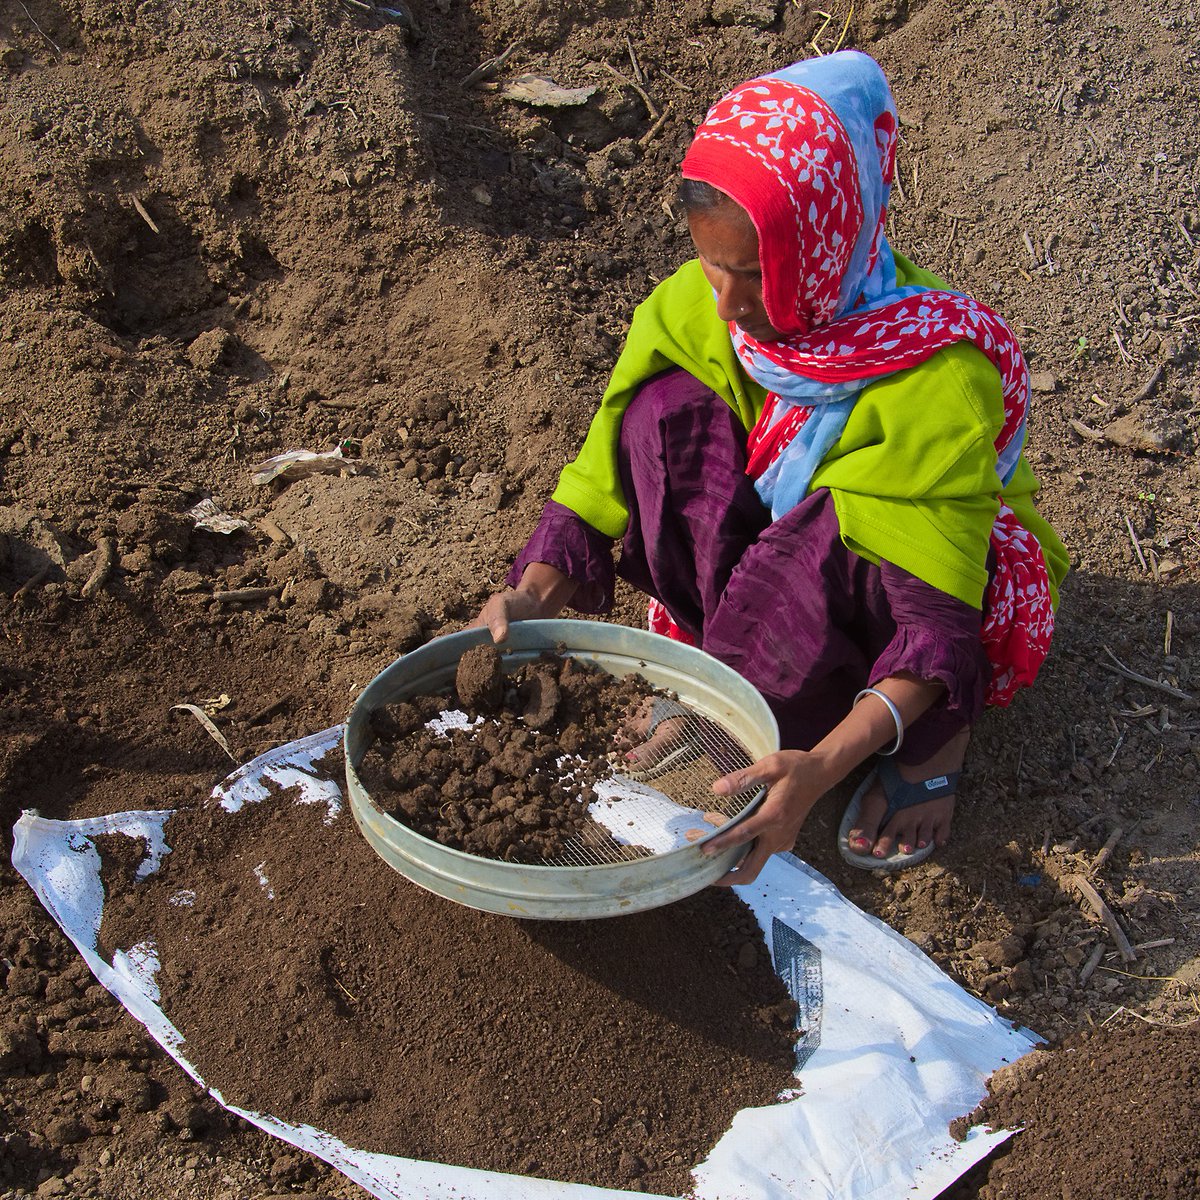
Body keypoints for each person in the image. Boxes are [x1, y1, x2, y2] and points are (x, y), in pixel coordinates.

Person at [475, 50, 1068, 885]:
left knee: (825, 560)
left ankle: (931, 743)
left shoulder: (939, 385)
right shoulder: (693, 308)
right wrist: (529, 596)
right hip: (779, 552)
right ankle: (729, 677)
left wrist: (817, 771)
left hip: (905, 587)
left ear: (824, 242)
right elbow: (603, 467)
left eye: (753, 273)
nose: (724, 300)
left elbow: (932, 623)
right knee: (662, 412)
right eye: (712, 262)